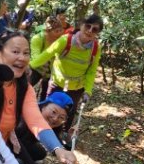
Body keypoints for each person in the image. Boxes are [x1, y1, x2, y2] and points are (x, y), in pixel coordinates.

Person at [0, 31, 77, 164]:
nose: (22, 58)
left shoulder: (23, 87)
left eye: (26, 53)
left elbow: (36, 119)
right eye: (15, 51)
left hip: (5, 144)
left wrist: (57, 148)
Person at [29, 14, 103, 142]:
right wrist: (28, 66)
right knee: (50, 108)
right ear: (81, 25)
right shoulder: (65, 40)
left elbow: (91, 71)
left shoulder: (95, 48)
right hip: (57, 82)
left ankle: (59, 135)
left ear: (98, 33)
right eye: (88, 26)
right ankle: (42, 133)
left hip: (76, 87)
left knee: (68, 112)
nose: (90, 31)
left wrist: (88, 90)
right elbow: (47, 54)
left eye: (95, 29)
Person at [29, 14, 66, 101]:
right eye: (56, 31)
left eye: (61, 30)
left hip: (51, 71)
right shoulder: (37, 39)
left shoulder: (61, 40)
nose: (59, 34)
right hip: (37, 69)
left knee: (46, 94)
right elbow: (36, 59)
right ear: (47, 31)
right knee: (26, 87)